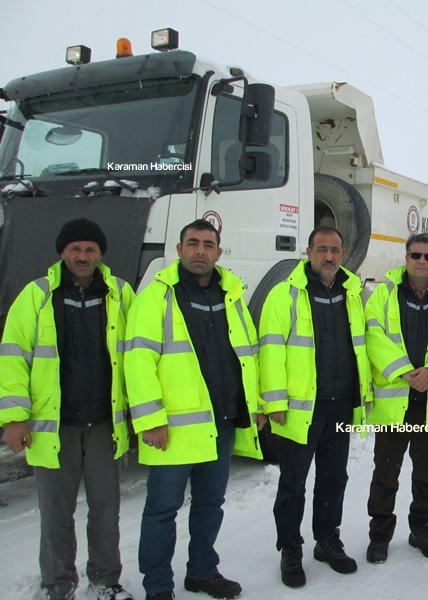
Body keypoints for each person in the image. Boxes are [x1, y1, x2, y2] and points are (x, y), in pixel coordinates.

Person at [124, 219, 262, 600]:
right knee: (162, 509)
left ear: (219, 251)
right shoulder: (157, 296)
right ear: (179, 249)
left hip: (222, 422)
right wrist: (150, 419)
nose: (200, 251)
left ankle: (202, 572)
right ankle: (157, 587)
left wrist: (255, 407)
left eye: (208, 244)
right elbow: (138, 360)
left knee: (209, 504)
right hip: (173, 428)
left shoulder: (232, 295)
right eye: (193, 243)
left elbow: (248, 355)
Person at [0, 218, 135, 600]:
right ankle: (57, 584)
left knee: (105, 511)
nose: (82, 256)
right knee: (56, 514)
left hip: (104, 424)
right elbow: (13, 357)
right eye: (75, 249)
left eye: (90, 249)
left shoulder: (120, 293)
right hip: (54, 426)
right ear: (62, 251)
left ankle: (105, 581)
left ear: (100, 254)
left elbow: (137, 355)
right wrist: (14, 417)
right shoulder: (37, 295)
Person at [258, 226, 371, 588]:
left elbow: (362, 345)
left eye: (335, 250)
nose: (329, 256)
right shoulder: (285, 294)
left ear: (343, 253)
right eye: (321, 249)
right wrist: (274, 401)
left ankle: (326, 539)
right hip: (301, 408)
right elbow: (270, 350)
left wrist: (365, 392)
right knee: (293, 482)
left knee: (334, 477)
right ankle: (290, 546)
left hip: (341, 404)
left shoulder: (352, 292)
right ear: (308, 252)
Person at [364, 233, 428, 564]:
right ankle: (380, 535)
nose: (421, 261)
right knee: (385, 474)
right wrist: (405, 372)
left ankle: (423, 530)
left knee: (426, 474)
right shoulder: (383, 294)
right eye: (415, 255)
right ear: (406, 257)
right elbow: (373, 333)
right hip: (395, 398)